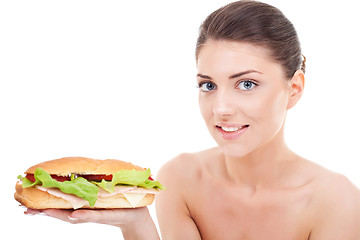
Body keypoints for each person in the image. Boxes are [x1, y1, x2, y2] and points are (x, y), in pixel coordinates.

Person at [26, 1, 360, 239]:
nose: (221, 108)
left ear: (294, 88)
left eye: (247, 84)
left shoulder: (336, 202)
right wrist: (135, 225)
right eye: (208, 85)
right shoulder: (181, 179)